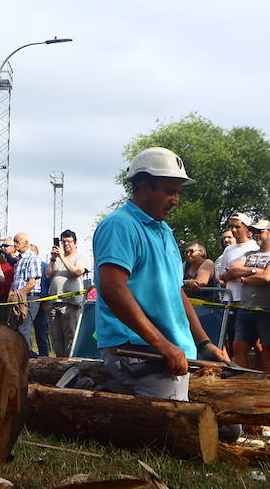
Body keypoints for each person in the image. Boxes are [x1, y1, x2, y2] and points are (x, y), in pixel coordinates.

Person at [95, 147, 228, 400]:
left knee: (224, 427)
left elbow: (176, 292)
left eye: (177, 192)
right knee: (175, 431)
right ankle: (94, 392)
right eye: (170, 191)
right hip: (136, 350)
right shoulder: (119, 225)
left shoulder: (164, 231)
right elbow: (113, 289)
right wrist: (161, 344)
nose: (176, 200)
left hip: (169, 350)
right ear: (144, 187)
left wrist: (204, 343)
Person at [225, 220, 270, 373]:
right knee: (238, 346)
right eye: (255, 231)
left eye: (261, 231)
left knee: (268, 349)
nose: (257, 234)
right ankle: (244, 383)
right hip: (245, 308)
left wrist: (244, 278)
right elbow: (233, 270)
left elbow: (267, 278)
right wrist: (254, 271)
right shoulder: (249, 254)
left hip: (267, 310)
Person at [46, 230, 89, 357]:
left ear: (75, 243)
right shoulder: (57, 258)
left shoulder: (79, 258)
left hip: (70, 304)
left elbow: (77, 272)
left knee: (70, 336)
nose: (65, 244)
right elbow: (48, 274)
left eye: (68, 241)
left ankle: (70, 363)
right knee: (56, 337)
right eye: (63, 241)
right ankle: (59, 361)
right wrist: (53, 259)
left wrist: (63, 258)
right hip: (54, 302)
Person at [10, 233, 44, 352]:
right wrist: (12, 293)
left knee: (23, 328)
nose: (15, 244)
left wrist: (18, 294)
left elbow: (32, 283)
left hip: (29, 299)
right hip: (19, 298)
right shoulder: (19, 259)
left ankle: (27, 358)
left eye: (17, 241)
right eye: (14, 241)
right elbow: (15, 280)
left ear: (26, 242)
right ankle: (24, 355)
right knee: (18, 329)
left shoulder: (33, 258)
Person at [215, 212, 257, 307]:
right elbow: (222, 276)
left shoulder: (255, 247)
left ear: (246, 228)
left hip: (247, 298)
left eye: (237, 227)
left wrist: (237, 272)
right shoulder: (228, 249)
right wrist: (232, 274)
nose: (233, 230)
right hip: (229, 298)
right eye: (231, 226)